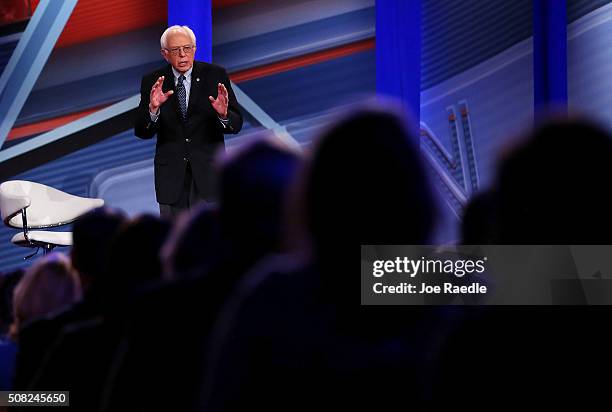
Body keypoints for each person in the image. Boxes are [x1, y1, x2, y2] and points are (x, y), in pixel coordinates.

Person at [135, 25, 243, 218]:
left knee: (213, 240)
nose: (183, 55)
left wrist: (223, 114)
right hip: (171, 179)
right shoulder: (153, 81)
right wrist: (153, 109)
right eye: (176, 50)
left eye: (187, 48)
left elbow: (236, 124)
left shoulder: (215, 75)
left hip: (209, 176)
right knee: (176, 242)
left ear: (194, 49)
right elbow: (142, 131)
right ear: (165, 54)